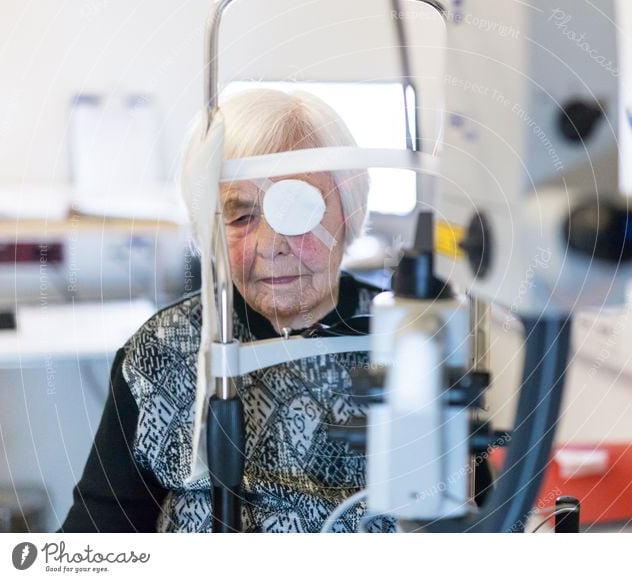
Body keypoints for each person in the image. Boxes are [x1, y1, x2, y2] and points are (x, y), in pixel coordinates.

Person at [61, 89, 392, 533]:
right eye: (240, 217)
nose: (271, 246)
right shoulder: (163, 352)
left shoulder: (411, 338)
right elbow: (94, 542)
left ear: (347, 213)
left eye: (298, 209)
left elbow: (478, 527)